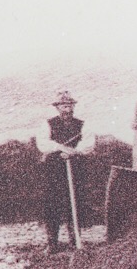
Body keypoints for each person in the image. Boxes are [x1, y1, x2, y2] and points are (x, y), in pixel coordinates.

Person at [35, 90, 97, 253]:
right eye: (63, 106)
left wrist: (73, 152)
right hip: (54, 168)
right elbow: (43, 143)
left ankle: (75, 240)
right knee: (52, 203)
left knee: (75, 201)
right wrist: (60, 148)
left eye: (69, 106)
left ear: (73, 107)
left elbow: (88, 143)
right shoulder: (48, 124)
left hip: (76, 166)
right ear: (57, 108)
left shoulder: (82, 124)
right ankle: (52, 242)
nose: (67, 109)